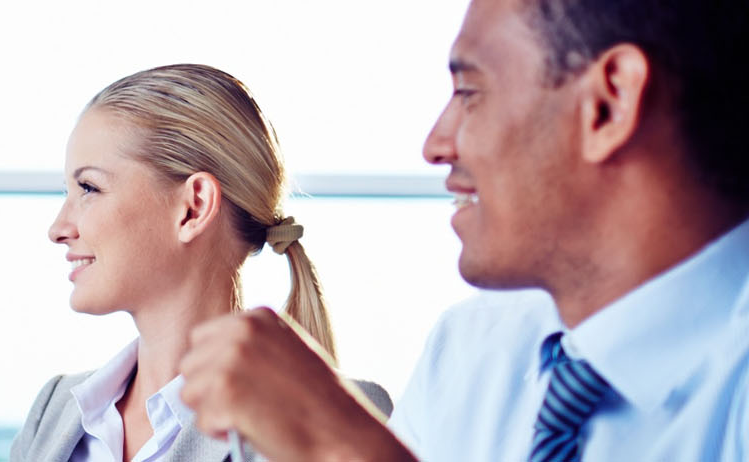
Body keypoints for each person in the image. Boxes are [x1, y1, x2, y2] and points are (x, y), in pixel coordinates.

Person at [175, 0, 749, 460]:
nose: (435, 145)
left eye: (469, 94)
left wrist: (344, 448)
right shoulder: (471, 348)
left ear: (608, 103)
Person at [11, 64, 392, 462]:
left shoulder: (335, 425)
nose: (57, 228)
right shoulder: (53, 411)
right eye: (69, 191)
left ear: (193, 208)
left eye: (89, 188)